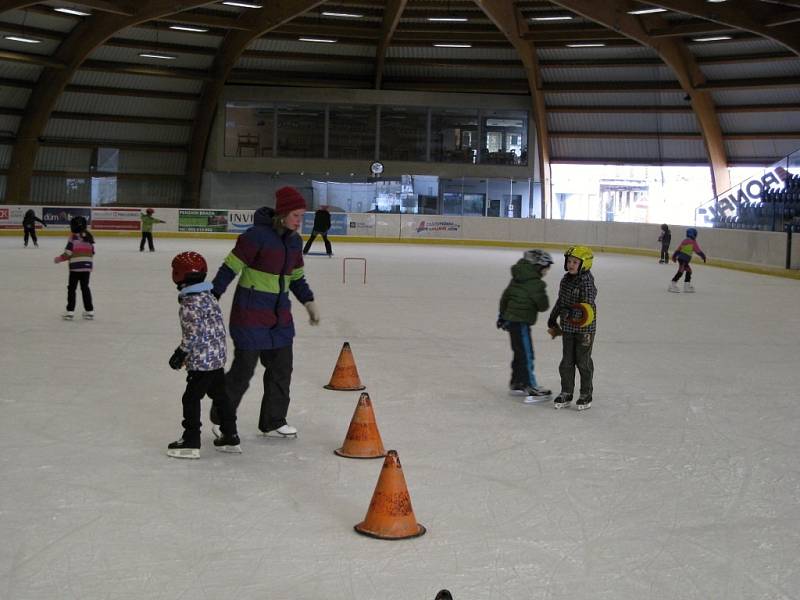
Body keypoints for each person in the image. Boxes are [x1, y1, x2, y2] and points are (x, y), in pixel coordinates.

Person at [211, 186, 320, 438]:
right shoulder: (255, 236)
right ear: (282, 214)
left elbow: (297, 278)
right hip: (250, 315)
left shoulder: (294, 242)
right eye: (296, 216)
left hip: (280, 319)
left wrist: (309, 302)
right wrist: (213, 295)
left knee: (282, 370)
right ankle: (221, 417)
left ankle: (273, 420)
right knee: (243, 371)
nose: (299, 222)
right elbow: (230, 267)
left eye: (302, 216)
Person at [166, 251, 241, 459]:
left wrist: (180, 353)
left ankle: (191, 439)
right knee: (220, 395)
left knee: (190, 398)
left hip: (202, 362)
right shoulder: (209, 296)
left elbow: (192, 334)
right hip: (217, 357)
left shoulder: (189, 303)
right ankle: (230, 434)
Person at [497, 249, 553, 403]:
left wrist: (501, 316)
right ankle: (531, 387)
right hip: (521, 324)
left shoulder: (516, 278)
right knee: (527, 355)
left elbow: (505, 297)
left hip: (511, 321)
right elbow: (543, 306)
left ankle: (517, 383)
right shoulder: (536, 284)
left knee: (519, 352)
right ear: (537, 267)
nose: (547, 271)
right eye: (546, 268)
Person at [547, 246, 597, 411]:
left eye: (575, 262)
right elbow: (561, 301)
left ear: (585, 264)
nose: (571, 265)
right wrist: (553, 317)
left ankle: (585, 394)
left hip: (584, 329)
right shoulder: (565, 279)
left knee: (583, 362)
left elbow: (586, 304)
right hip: (568, 327)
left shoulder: (587, 282)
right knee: (566, 362)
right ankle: (566, 392)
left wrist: (568, 313)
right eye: (569, 261)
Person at [53, 216, 95, 320]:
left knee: (72, 289)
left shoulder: (73, 237)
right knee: (85, 288)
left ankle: (70, 311)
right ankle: (89, 311)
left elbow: (68, 253)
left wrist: (59, 259)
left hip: (75, 267)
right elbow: (92, 251)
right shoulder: (89, 236)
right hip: (87, 267)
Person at [669, 227, 707, 293]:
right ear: (694, 234)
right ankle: (672, 284)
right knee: (681, 271)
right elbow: (698, 251)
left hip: (681, 259)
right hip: (683, 259)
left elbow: (678, 249)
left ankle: (686, 286)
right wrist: (703, 256)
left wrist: (674, 256)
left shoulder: (685, 240)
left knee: (688, 271)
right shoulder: (693, 242)